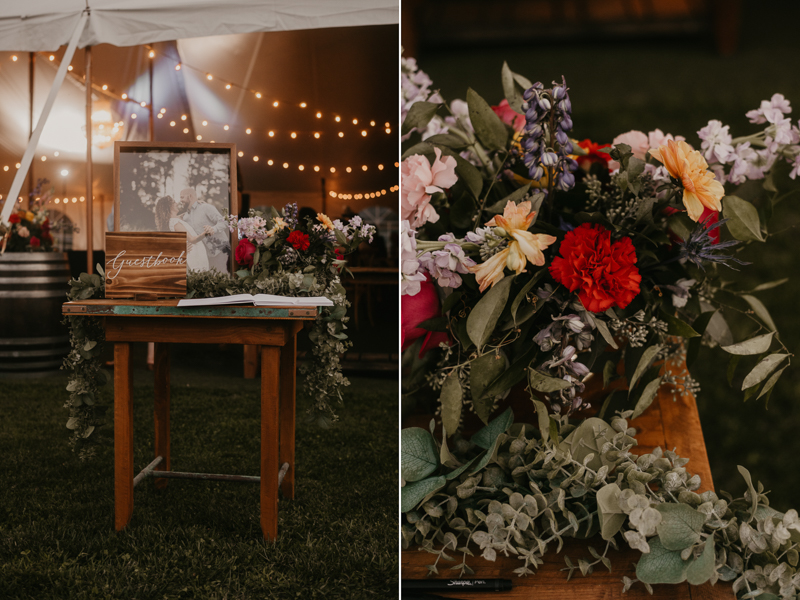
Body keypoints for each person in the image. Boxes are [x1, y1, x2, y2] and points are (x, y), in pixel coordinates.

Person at [179, 187, 231, 273]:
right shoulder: (185, 217)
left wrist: (213, 229)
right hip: (206, 256)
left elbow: (224, 222)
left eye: (182, 197)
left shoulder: (206, 207)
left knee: (221, 281)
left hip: (221, 250)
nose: (180, 200)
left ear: (190, 196)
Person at [154, 196, 210, 272]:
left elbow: (189, 212)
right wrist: (207, 232)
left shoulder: (176, 219)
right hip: (195, 254)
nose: (176, 203)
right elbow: (192, 239)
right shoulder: (175, 223)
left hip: (197, 251)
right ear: (169, 206)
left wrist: (198, 205)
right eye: (174, 202)